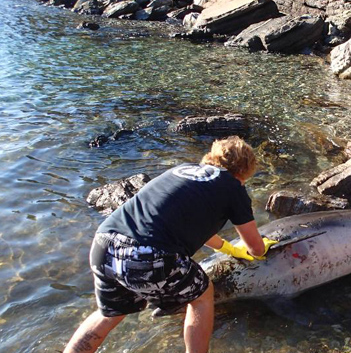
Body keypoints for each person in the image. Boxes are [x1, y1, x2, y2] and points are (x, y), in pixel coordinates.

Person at [64, 136, 277, 353]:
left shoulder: (182, 170)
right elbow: (257, 248)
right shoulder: (233, 187)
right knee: (202, 295)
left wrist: (226, 248)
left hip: (104, 243)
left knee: (110, 313)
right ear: (245, 171)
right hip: (146, 254)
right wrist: (255, 249)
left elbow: (188, 225)